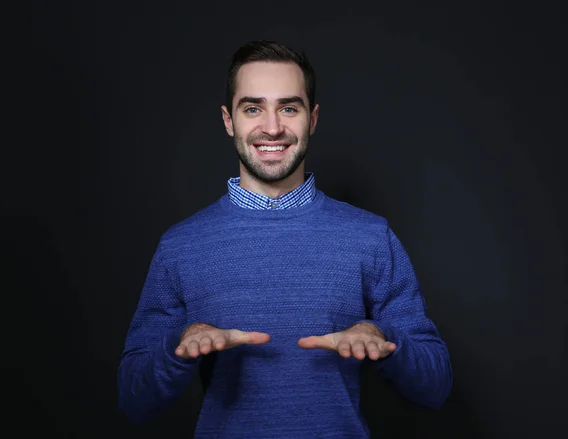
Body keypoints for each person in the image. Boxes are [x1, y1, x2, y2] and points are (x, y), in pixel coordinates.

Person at [117, 40, 452, 438]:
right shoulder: (180, 246)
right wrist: (179, 345)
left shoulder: (370, 237)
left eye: (289, 108)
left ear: (312, 118)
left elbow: (436, 388)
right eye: (253, 108)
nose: (272, 127)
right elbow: (133, 401)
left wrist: (386, 338)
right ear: (229, 120)